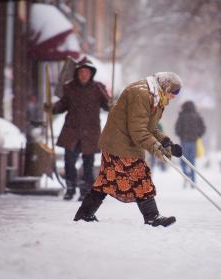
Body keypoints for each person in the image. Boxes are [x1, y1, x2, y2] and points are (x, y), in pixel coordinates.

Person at [73, 72, 183, 227]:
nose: (173, 97)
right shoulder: (141, 94)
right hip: (120, 142)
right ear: (165, 87)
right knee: (140, 176)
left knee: (106, 180)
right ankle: (152, 217)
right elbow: (138, 130)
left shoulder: (156, 97)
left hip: (120, 141)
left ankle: (84, 214)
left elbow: (150, 127)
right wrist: (157, 148)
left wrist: (167, 143)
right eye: (173, 93)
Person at [45, 59, 110, 201]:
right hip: (72, 131)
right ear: (77, 73)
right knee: (69, 161)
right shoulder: (69, 88)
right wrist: (52, 107)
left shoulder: (98, 88)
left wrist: (112, 104)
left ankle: (85, 191)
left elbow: (107, 105)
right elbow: (62, 105)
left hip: (90, 132)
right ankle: (70, 189)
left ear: (91, 73)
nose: (84, 75)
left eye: (86, 72)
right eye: (81, 72)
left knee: (88, 164)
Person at [174, 101, 206, 186]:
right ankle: (193, 181)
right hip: (193, 142)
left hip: (184, 141)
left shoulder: (182, 116)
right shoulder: (197, 116)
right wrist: (198, 135)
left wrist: (181, 135)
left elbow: (177, 129)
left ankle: (186, 175)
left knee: (183, 160)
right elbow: (203, 128)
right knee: (192, 161)